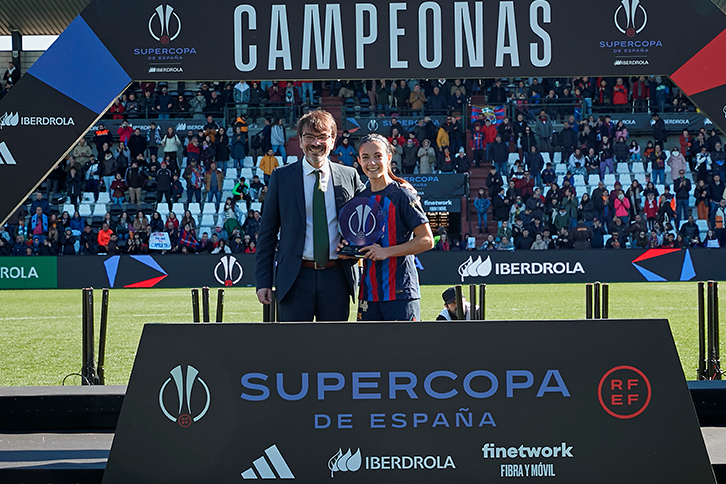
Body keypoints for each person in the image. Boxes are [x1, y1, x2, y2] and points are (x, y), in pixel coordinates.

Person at [255, 110, 366, 322]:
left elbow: (366, 220)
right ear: (300, 141)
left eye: (322, 137)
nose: (316, 143)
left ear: (333, 141)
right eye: (309, 137)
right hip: (295, 278)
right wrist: (263, 282)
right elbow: (267, 234)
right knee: (294, 349)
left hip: (337, 278)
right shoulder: (281, 177)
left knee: (333, 348)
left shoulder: (349, 175)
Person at [352, 134, 434, 321]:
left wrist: (386, 252)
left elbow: (427, 240)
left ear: (389, 158)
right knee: (368, 351)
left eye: (377, 156)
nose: (371, 162)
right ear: (359, 161)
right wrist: (346, 250)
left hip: (400, 292)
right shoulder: (359, 199)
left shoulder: (403, 195)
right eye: (365, 157)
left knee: (403, 351)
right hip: (368, 294)